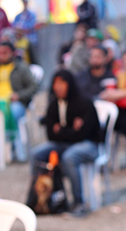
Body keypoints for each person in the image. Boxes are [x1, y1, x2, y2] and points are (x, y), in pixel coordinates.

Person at [31, 69, 100, 217]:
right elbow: (50, 134)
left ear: (70, 84)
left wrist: (61, 130)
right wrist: (70, 130)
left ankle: (79, 203)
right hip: (63, 144)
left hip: (89, 145)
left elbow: (84, 134)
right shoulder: (54, 104)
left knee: (69, 156)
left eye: (62, 83)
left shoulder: (84, 103)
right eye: (56, 83)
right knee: (37, 153)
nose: (58, 87)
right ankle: (39, 199)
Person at [0, 41, 37, 162]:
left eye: (5, 52)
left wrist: (19, 96)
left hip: (16, 103)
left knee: (13, 111)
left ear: (12, 53)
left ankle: (18, 150)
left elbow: (33, 87)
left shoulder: (21, 68)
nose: (2, 55)